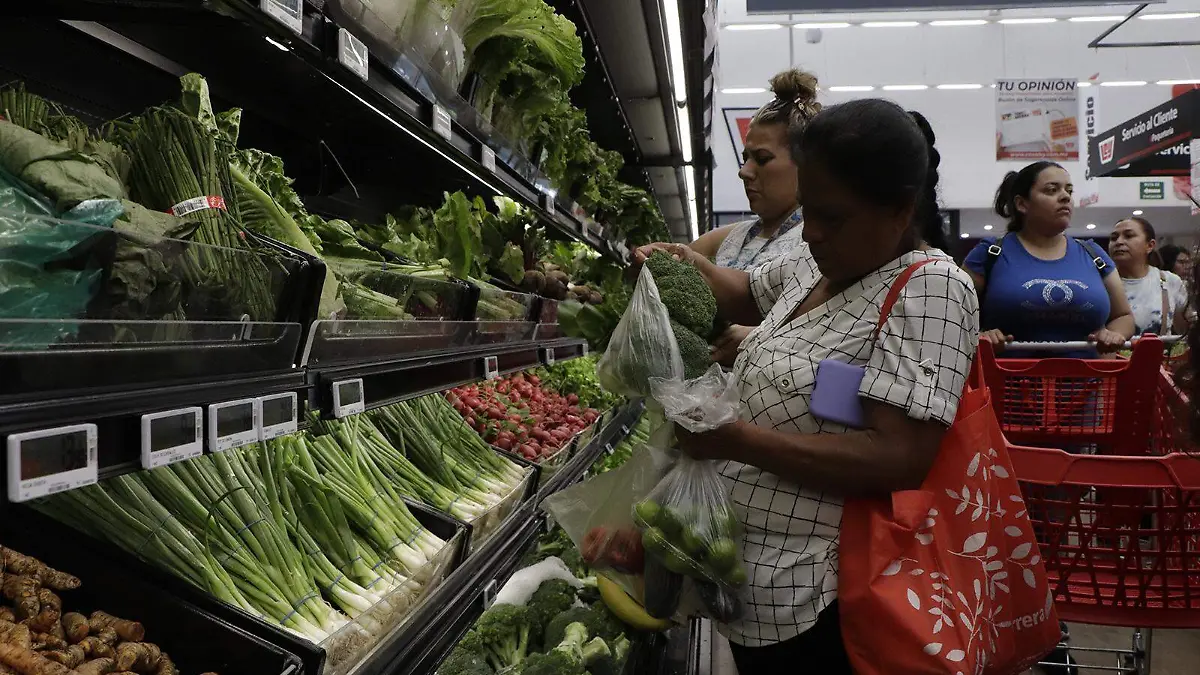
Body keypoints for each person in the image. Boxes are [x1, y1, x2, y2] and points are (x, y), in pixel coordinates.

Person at [635, 99, 979, 672]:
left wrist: (734, 440)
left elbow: (899, 457)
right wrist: (681, 263)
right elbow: (745, 291)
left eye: (834, 217)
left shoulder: (934, 288)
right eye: (809, 210)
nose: (813, 231)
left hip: (826, 603)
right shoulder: (816, 259)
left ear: (899, 209)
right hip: (752, 590)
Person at [702, 68, 821, 366]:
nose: (744, 171)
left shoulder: (822, 244)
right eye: (745, 158)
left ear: (805, 164)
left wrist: (761, 339)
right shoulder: (728, 238)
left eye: (762, 159)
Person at [962, 161, 1134, 358]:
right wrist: (980, 335)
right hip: (1005, 384)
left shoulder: (1093, 254)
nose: (1065, 197)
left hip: (1091, 386)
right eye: (1052, 190)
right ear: (1022, 204)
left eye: (1069, 190)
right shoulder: (990, 253)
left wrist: (1114, 334)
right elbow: (952, 316)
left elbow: (1124, 316)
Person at [1110, 217, 1188, 336]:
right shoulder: (1100, 282)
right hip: (1110, 354)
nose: (1119, 242)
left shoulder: (1170, 281)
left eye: (1129, 236)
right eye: (1113, 238)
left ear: (1150, 245)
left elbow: (1186, 330)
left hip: (1160, 354)